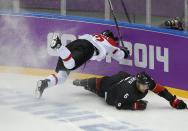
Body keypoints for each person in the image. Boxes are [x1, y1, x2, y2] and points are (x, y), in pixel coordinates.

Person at [35, 30, 130, 98]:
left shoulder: (93, 35)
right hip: (89, 48)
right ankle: (59, 46)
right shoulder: (110, 42)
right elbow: (118, 54)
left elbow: (83, 39)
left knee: (62, 76)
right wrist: (125, 51)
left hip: (75, 44)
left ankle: (44, 83)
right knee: (70, 65)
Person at [73, 71, 187, 110]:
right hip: (111, 94)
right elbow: (118, 104)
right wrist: (134, 105)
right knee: (100, 84)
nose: (146, 88)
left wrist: (173, 100)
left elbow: (161, 90)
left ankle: (87, 85)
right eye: (144, 86)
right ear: (138, 83)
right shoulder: (128, 92)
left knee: (105, 80)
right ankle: (81, 83)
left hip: (122, 78)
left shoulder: (148, 83)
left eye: (147, 86)